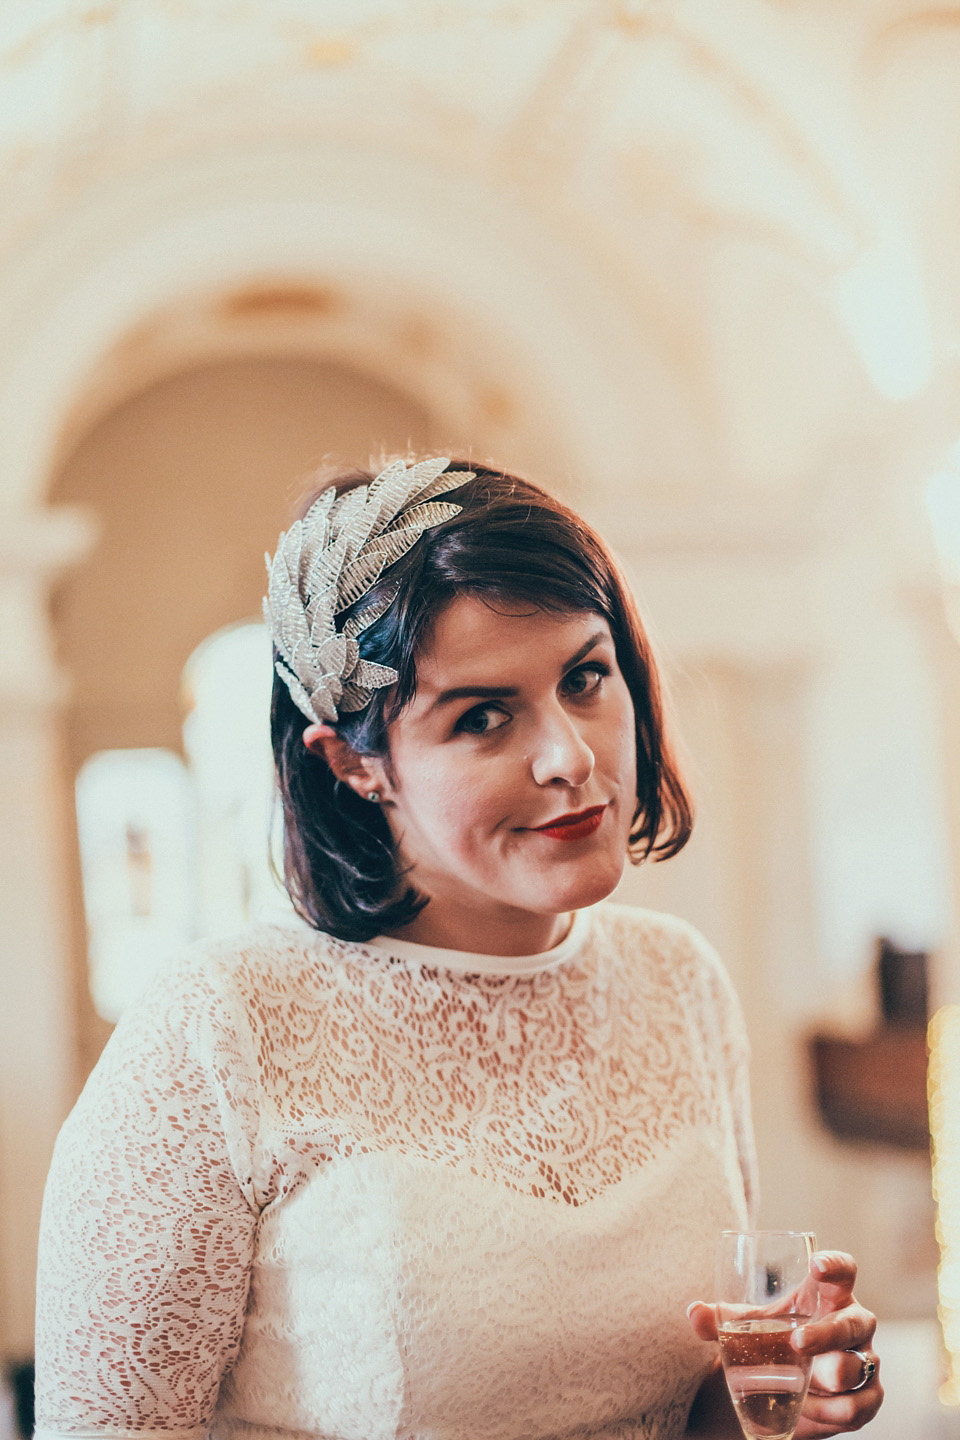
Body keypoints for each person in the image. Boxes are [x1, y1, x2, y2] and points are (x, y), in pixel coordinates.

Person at [34, 457, 883, 1439]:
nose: (570, 755)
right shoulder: (221, 1025)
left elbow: (677, 1404)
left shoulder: (678, 980)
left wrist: (773, 1397)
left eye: (585, 677)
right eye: (482, 717)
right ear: (355, 763)